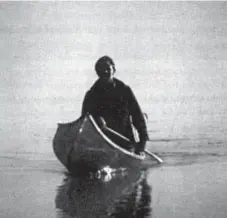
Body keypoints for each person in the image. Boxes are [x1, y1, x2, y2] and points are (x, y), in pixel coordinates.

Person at [81, 56, 149, 155]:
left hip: (125, 142)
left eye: (107, 68)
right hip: (100, 143)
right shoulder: (91, 95)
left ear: (114, 70)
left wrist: (142, 143)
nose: (104, 72)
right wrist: (95, 120)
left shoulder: (125, 90)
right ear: (97, 72)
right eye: (101, 69)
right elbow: (84, 122)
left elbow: (138, 117)